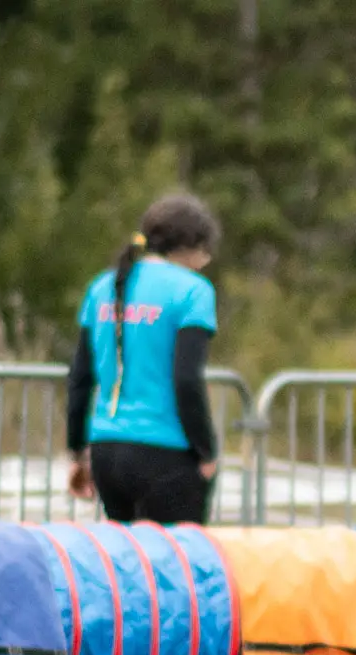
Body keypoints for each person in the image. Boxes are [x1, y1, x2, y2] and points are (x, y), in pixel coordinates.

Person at [66, 193, 223, 525]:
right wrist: (206, 451)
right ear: (190, 247)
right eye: (205, 251)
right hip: (166, 452)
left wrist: (77, 452)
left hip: (107, 450)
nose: (205, 262)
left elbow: (80, 378)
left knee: (129, 570)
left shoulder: (102, 287)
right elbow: (186, 379)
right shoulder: (193, 291)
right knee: (177, 570)